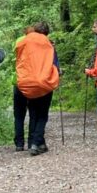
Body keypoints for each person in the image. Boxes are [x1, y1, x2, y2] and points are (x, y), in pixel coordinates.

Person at [14, 21, 61, 156]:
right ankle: (35, 142)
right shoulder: (48, 44)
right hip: (44, 82)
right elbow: (54, 64)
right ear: (46, 32)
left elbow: (19, 59)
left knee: (33, 112)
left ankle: (35, 143)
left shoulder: (23, 42)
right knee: (42, 115)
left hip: (26, 82)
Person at [13, 26, 34, 152]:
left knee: (19, 115)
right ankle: (32, 142)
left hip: (19, 81)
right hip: (32, 82)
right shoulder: (38, 43)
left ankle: (19, 143)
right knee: (33, 113)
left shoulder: (18, 42)